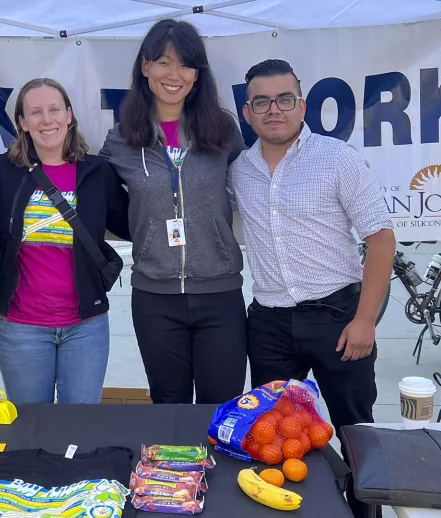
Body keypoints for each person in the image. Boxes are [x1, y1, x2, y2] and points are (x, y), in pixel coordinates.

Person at [230, 59, 395, 517]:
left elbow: (381, 240)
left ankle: (366, 513)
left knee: (355, 433)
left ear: (302, 105)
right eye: (261, 101)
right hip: (269, 323)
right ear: (248, 113)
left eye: (284, 99)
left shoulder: (337, 157)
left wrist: (365, 320)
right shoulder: (239, 170)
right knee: (276, 438)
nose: (273, 109)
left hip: (338, 317)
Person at [99, 19, 247, 405]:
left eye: (185, 64)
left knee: (221, 408)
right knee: (169, 407)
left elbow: (253, 187)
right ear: (145, 67)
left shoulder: (223, 131)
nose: (174, 74)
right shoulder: (121, 139)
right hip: (154, 297)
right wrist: (139, 231)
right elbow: (95, 192)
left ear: (197, 74)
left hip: (220, 293)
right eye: (163, 62)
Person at [0, 78, 130, 405]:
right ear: (22, 122)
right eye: (36, 112)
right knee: (31, 430)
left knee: (79, 430)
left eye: (54, 110)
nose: (47, 120)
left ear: (69, 115)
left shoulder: (98, 173)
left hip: (85, 328)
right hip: (22, 327)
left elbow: (131, 224)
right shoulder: (1, 170)